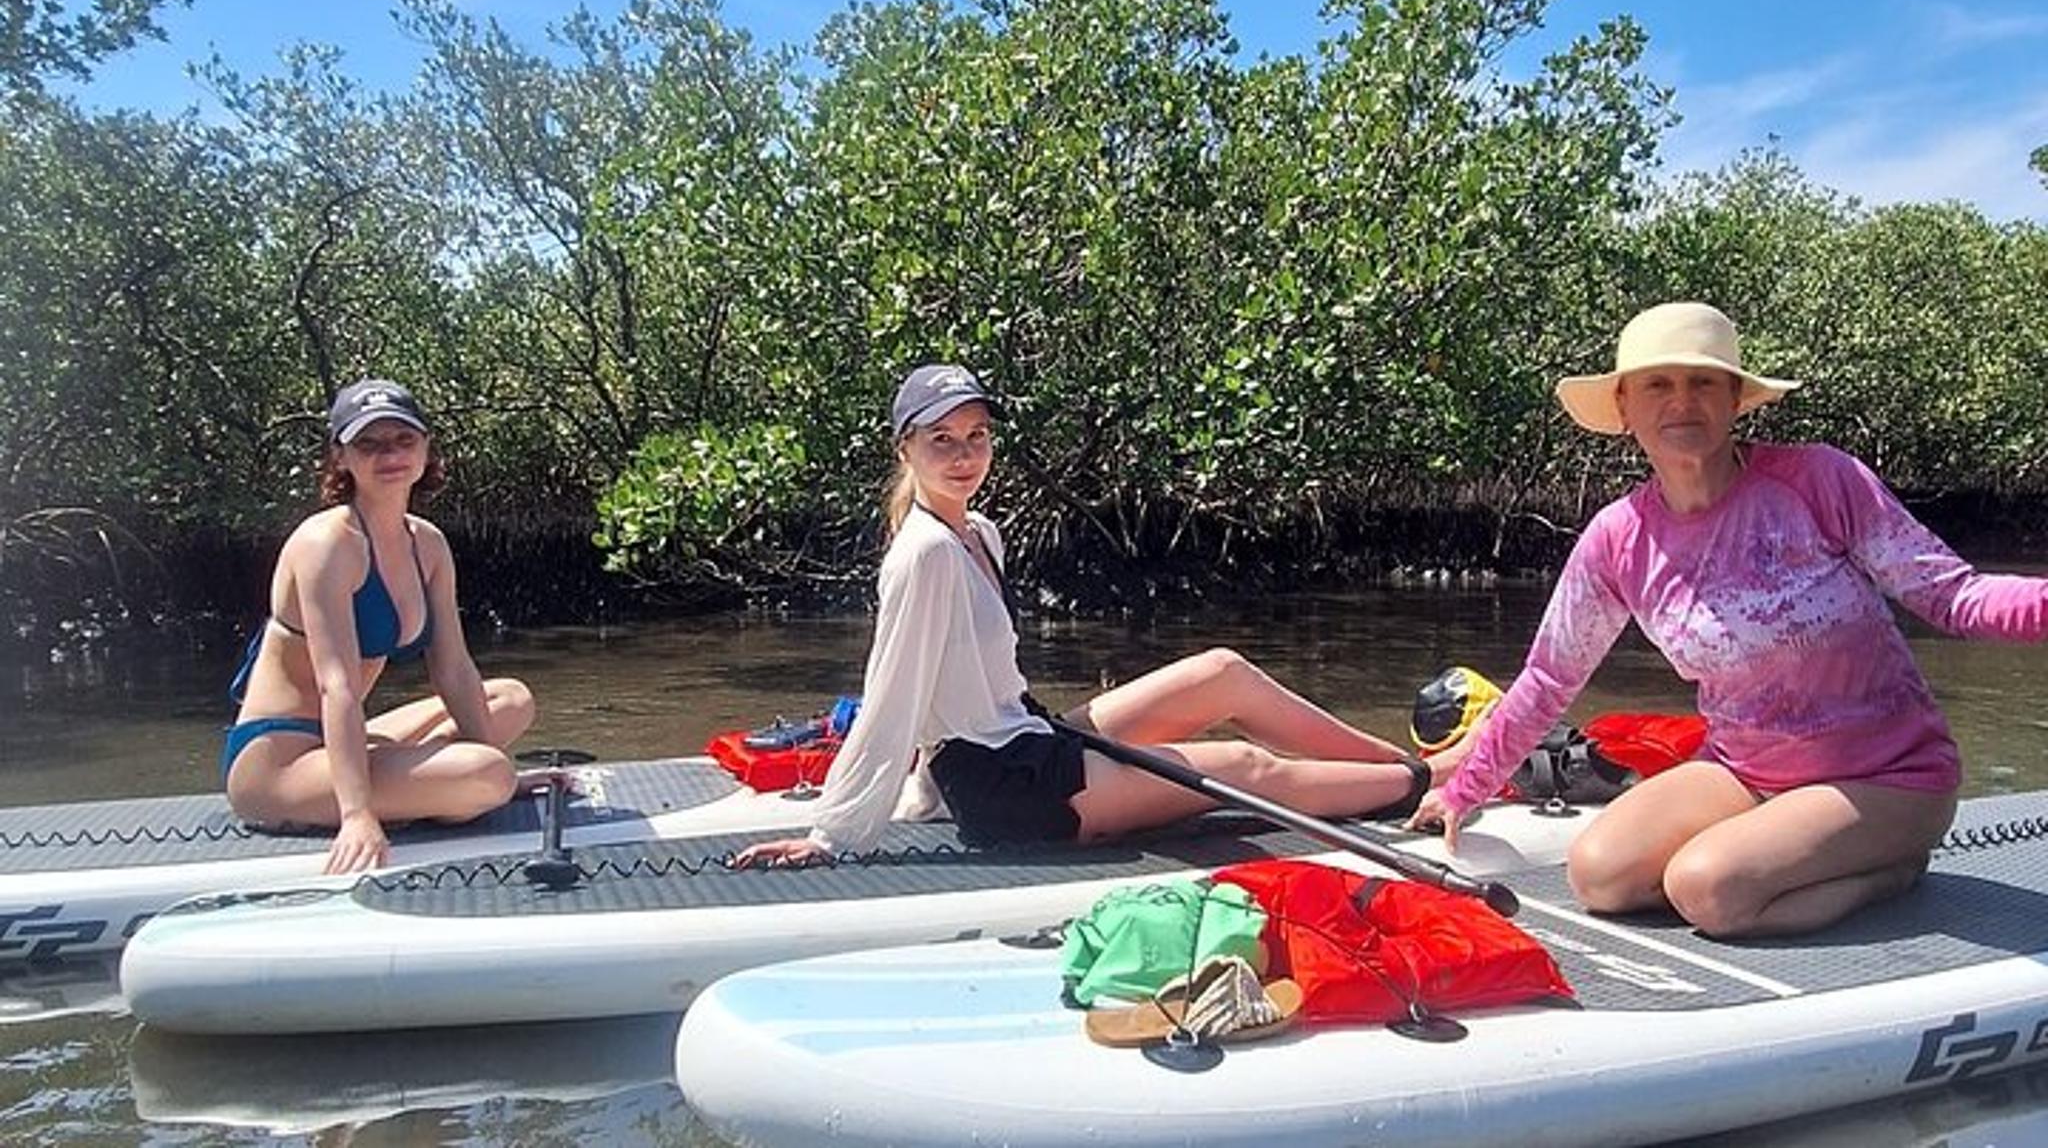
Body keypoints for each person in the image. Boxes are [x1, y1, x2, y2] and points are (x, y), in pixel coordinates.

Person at [1408, 302, 2048, 938]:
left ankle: (1893, 868)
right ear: (1626, 408)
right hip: (1744, 772)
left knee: (1708, 890)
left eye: (1703, 382)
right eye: (1658, 384)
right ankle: (1778, 852)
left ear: (1736, 399)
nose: (1681, 401)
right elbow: (1548, 679)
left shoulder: (1820, 480)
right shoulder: (1617, 539)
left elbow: (1955, 596)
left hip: (1887, 776)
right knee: (1599, 876)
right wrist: (1465, 789)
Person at [735, 364, 1450, 868]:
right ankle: (1419, 786)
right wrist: (835, 831)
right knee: (1242, 765)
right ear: (906, 449)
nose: (962, 455)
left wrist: (923, 791)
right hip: (1008, 790)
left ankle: (1399, 761)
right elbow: (894, 697)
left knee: (1222, 672)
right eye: (940, 440)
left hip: (1029, 737)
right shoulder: (924, 554)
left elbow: (980, 690)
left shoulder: (980, 532)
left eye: (975, 435)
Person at [222, 378, 536, 874]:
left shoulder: (427, 545)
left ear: (425, 448)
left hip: (341, 742)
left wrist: (494, 759)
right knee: (488, 775)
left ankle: (431, 783)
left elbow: (452, 667)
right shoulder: (327, 544)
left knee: (511, 700)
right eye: (368, 443)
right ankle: (420, 788)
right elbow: (337, 685)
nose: (389, 454)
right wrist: (357, 815)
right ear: (341, 457)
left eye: (403, 440)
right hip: (278, 766)